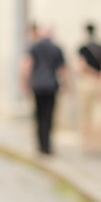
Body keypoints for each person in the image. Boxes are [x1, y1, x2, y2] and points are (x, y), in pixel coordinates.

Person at [19, 25, 67, 155]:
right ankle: (47, 145)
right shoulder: (56, 48)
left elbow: (26, 65)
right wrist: (66, 85)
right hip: (51, 86)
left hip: (37, 86)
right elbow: (62, 69)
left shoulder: (34, 47)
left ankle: (40, 145)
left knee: (39, 115)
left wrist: (25, 83)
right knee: (49, 115)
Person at [76, 22, 101, 155]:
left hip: (87, 82)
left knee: (85, 114)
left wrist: (92, 73)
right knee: (100, 114)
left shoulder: (83, 48)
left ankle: (87, 143)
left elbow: (81, 67)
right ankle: (99, 145)